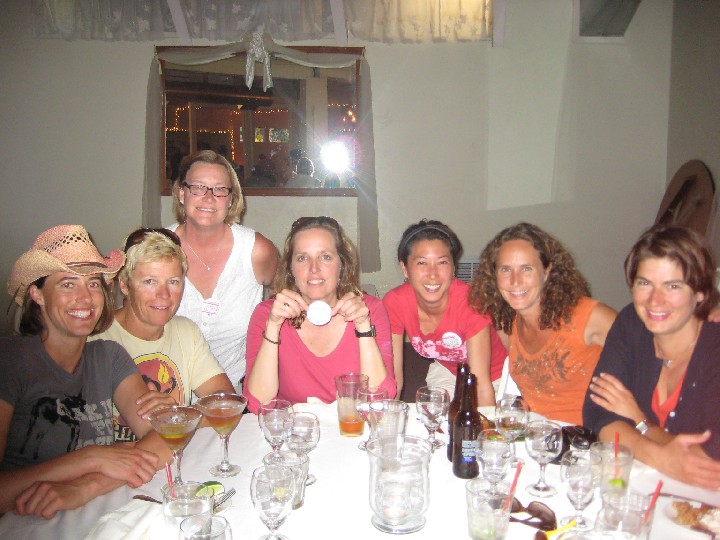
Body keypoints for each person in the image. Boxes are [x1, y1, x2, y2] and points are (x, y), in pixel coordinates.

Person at [0, 225, 170, 518]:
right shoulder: (10, 361)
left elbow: (165, 436)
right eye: (68, 284)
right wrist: (90, 459)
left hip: (96, 518)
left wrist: (88, 485)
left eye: (93, 283)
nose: (86, 297)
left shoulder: (109, 357)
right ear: (37, 295)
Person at [583, 225, 720, 489]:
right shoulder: (631, 323)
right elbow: (598, 413)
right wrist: (660, 457)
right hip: (646, 488)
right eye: (644, 283)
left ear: (700, 292)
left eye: (673, 286)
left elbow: (710, 461)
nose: (655, 301)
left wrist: (641, 422)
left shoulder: (714, 348)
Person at [91, 228, 234, 442]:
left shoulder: (186, 331)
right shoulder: (96, 337)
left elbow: (226, 402)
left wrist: (180, 415)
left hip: (174, 454)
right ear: (124, 285)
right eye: (150, 281)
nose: (164, 295)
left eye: (173, 282)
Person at [243, 216, 396, 413]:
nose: (314, 269)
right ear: (290, 269)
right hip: (296, 428)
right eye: (302, 258)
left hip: (350, 425)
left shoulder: (370, 310)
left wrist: (364, 327)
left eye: (325, 257)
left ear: (342, 265)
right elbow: (257, 404)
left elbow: (380, 399)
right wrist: (273, 327)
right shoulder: (267, 314)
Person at [469, 222, 616, 424]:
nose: (515, 281)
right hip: (534, 435)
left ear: (547, 272)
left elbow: (650, 364)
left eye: (526, 269)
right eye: (505, 270)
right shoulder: (507, 323)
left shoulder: (589, 316)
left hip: (587, 436)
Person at [168, 150, 279, 392]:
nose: (209, 197)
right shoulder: (158, 250)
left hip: (236, 393)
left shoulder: (257, 251)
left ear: (231, 200)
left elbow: (288, 298)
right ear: (182, 194)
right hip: (166, 392)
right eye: (198, 187)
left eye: (219, 190)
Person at [383, 220, 507, 405]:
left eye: (442, 262)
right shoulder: (395, 302)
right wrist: (389, 417)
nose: (432, 274)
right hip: (448, 371)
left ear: (453, 267)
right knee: (436, 416)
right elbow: (394, 379)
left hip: (495, 376)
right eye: (422, 263)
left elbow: (481, 386)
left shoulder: (472, 302)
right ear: (405, 268)